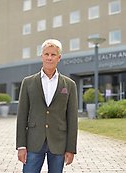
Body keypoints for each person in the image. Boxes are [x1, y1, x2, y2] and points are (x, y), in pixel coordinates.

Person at [16, 39, 78, 173]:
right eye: (46, 54)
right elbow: (22, 116)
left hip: (58, 143)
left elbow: (72, 119)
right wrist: (21, 146)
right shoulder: (28, 83)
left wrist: (71, 148)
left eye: (53, 55)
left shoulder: (69, 85)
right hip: (33, 141)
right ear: (42, 56)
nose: (49, 58)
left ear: (59, 58)